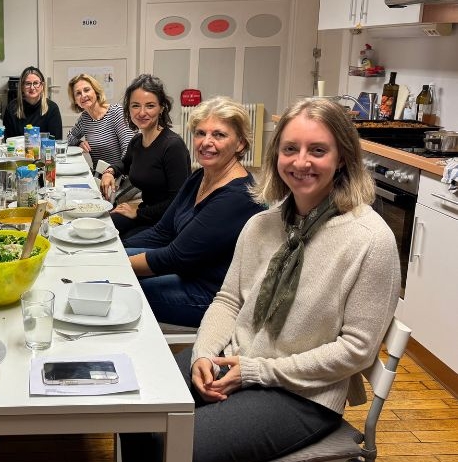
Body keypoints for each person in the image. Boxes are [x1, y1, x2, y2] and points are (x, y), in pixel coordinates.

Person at [122, 97, 401, 462]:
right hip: (232, 359)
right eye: (290, 149)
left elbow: (356, 350)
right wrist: (204, 354)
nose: (301, 162)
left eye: (317, 150)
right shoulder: (263, 224)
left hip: (300, 393)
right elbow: (228, 300)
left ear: (343, 157)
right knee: (135, 409)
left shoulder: (370, 239)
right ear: (276, 156)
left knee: (173, 448)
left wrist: (256, 371)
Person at [123, 97, 263, 327]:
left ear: (240, 144)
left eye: (219, 135)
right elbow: (162, 232)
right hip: (187, 273)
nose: (206, 142)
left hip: (210, 295)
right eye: (200, 133)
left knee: (118, 291)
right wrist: (116, 251)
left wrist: (117, 264)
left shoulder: (238, 196)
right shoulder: (200, 175)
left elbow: (174, 257)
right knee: (110, 268)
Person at [100, 74, 190, 239]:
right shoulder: (137, 141)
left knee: (115, 245)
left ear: (162, 108)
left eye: (150, 106)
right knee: (101, 227)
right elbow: (125, 164)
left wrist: (139, 212)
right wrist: (110, 171)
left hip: (167, 222)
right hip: (147, 213)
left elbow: (178, 201)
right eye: (135, 106)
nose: (142, 113)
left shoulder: (173, 146)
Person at [66, 73, 134, 169]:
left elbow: (129, 150)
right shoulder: (85, 118)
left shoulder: (116, 112)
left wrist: (113, 172)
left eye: (87, 90)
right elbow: (69, 137)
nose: (83, 95)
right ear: (75, 101)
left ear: (96, 91)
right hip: (99, 177)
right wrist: (79, 143)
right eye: (78, 93)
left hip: (121, 176)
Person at [2, 65, 63, 139]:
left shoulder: (52, 108)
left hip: (45, 150)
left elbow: (56, 140)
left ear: (42, 86)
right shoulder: (12, 108)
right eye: (28, 83)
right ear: (22, 86)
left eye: (36, 83)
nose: (32, 87)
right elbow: (8, 140)